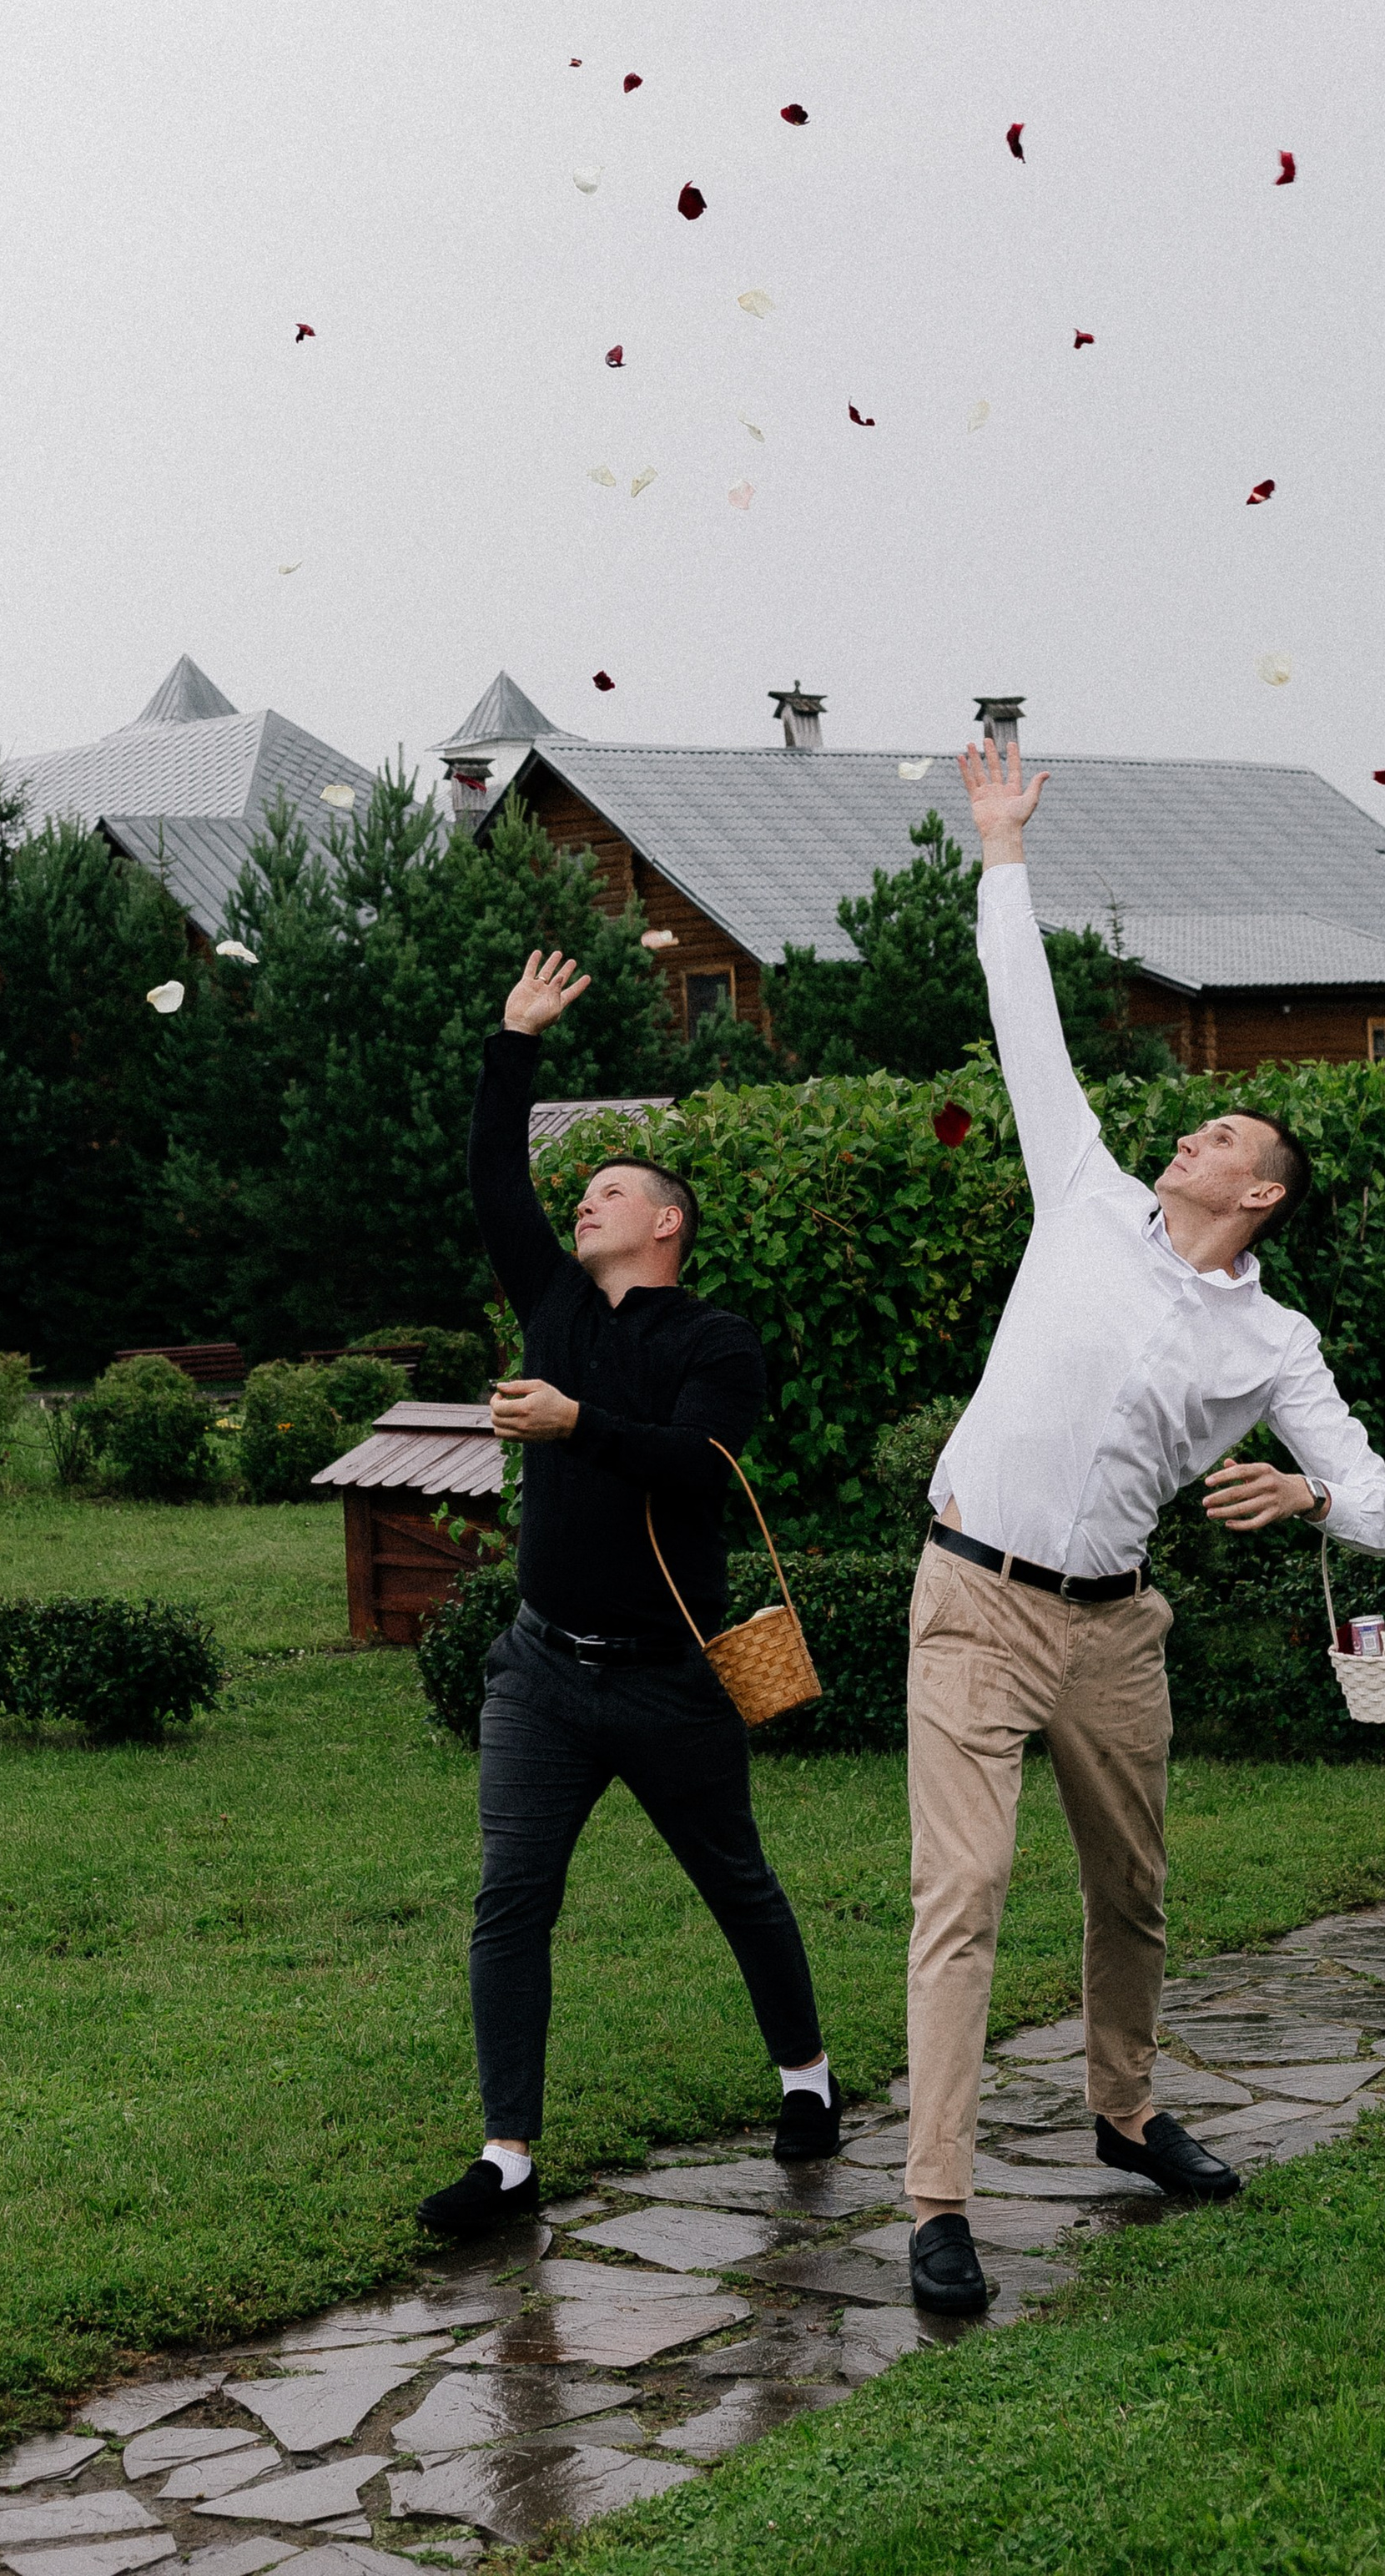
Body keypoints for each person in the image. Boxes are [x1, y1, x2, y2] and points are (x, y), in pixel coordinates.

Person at [903, 739, 1385, 2316]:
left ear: (1259, 1197)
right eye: (1197, 1130)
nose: (1191, 1137)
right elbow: (1024, 1014)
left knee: (1130, 1895)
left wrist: (1311, 1493)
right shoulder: (1081, 1190)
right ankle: (939, 2202)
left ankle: (1124, 2116)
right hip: (973, 1595)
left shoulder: (1275, 1342)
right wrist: (1001, 847)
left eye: (1222, 1142)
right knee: (964, 1896)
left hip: (1114, 1632)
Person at [416, 947, 839, 2236]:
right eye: (583, 1193)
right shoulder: (553, 1301)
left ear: (666, 1224)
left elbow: (701, 1464)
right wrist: (513, 1040)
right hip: (541, 1670)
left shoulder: (715, 1339)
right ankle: (507, 2158)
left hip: (671, 1679)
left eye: (609, 1193)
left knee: (736, 1881)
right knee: (511, 1898)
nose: (583, 1205)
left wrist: (577, 1422)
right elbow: (494, 1180)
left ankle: (807, 2080)